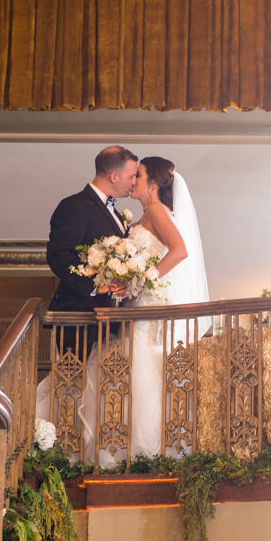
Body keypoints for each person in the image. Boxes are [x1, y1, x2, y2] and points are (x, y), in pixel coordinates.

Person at [81, 156, 209, 464]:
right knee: (131, 376)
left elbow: (180, 250)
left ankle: (141, 454)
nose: (132, 179)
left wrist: (142, 281)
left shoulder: (155, 210)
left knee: (144, 377)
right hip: (134, 310)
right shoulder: (141, 217)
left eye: (138, 174)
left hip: (148, 310)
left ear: (152, 182)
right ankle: (125, 452)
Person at [36, 146, 138, 422]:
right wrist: (97, 286)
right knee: (73, 388)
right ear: (114, 176)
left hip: (109, 319)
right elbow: (58, 256)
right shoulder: (74, 205)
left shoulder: (118, 213)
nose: (135, 181)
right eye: (132, 175)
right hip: (79, 316)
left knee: (99, 391)